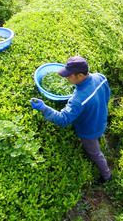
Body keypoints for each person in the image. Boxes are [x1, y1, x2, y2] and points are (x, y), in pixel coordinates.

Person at [30, 56, 112, 184]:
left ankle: (106, 175)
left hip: (89, 131)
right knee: (100, 133)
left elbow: (63, 119)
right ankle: (104, 144)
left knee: (95, 154)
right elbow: (107, 94)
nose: (66, 78)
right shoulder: (100, 77)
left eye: (69, 76)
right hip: (101, 118)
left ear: (80, 75)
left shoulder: (78, 100)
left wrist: (44, 108)